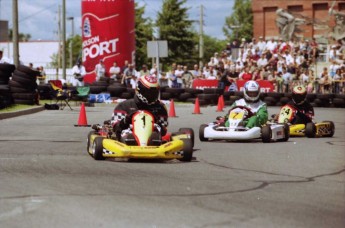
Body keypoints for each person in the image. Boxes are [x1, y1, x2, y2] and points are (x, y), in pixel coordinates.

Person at [111, 75, 168, 141]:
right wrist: (126, 120)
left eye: (154, 93)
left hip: (152, 138)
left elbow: (163, 131)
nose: (152, 95)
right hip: (128, 137)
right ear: (140, 91)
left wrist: (157, 122)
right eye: (150, 93)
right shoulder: (124, 106)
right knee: (129, 137)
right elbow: (116, 128)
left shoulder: (160, 107)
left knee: (155, 136)